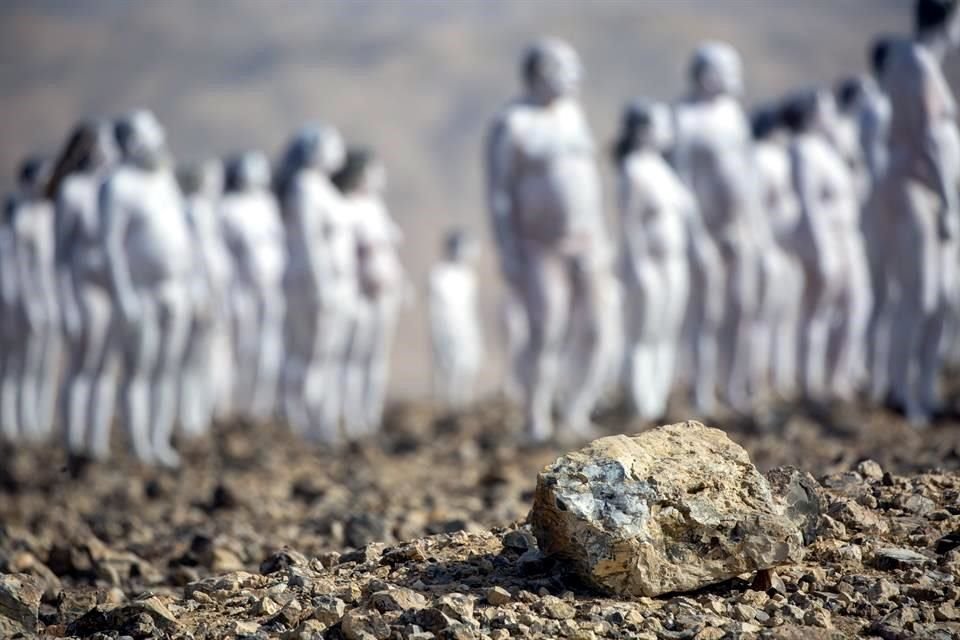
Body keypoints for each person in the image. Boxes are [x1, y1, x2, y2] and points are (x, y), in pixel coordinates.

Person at [485, 38, 611, 442]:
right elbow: (500, 194)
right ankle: (535, 416)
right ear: (540, 71)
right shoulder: (513, 123)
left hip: (587, 240)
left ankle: (576, 411)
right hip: (540, 245)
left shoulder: (574, 114)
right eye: (564, 67)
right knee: (547, 329)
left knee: (596, 328)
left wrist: (602, 235)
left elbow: (589, 179)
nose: (575, 76)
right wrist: (507, 250)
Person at [876, 0, 960, 424]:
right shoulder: (916, 64)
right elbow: (927, 137)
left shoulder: (918, 61)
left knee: (940, 298)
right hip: (918, 191)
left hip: (926, 191)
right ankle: (900, 390)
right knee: (920, 295)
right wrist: (948, 201)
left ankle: (923, 390)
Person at [101, 110, 193, 466]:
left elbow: (184, 234)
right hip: (141, 291)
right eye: (151, 131)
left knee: (166, 369)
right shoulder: (118, 185)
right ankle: (137, 444)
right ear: (133, 141)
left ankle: (159, 440)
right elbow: (110, 245)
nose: (160, 136)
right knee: (139, 369)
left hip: (174, 288)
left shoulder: (163, 179)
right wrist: (122, 294)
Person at [673, 42, 759, 413]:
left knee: (742, 307)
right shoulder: (684, 118)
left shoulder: (734, 115)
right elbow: (683, 181)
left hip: (738, 228)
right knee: (707, 314)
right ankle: (702, 391)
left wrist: (754, 227)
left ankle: (736, 386)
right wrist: (696, 237)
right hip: (705, 229)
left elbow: (748, 172)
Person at [784, 90, 870, 402]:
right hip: (823, 239)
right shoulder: (802, 149)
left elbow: (856, 186)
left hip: (847, 236)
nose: (831, 113)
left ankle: (839, 378)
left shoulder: (827, 148)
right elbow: (808, 203)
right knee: (817, 312)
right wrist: (823, 250)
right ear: (811, 114)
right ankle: (811, 385)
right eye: (825, 108)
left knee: (857, 305)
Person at [613, 101, 693, 420]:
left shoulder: (665, 169)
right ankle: (641, 401)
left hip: (674, 261)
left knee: (666, 332)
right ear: (643, 131)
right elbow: (629, 223)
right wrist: (639, 265)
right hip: (648, 264)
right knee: (644, 334)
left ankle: (658, 400)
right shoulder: (632, 169)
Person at [47, 121, 120, 459]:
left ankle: (97, 442)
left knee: (105, 369)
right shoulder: (73, 190)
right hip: (83, 290)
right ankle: (72, 441)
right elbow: (60, 254)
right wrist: (65, 303)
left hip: (109, 292)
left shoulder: (112, 188)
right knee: (81, 367)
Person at [276, 125, 349, 441]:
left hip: (335, 284)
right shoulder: (305, 187)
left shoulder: (323, 188)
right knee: (310, 355)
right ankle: (301, 422)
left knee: (328, 356)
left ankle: (322, 422)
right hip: (311, 284)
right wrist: (321, 286)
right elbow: (309, 242)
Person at [337, 147, 405, 438]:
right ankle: (351, 416)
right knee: (356, 356)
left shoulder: (376, 207)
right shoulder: (347, 207)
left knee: (377, 358)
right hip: (359, 293)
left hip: (384, 292)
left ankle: (370, 414)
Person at [220, 151, 286, 422]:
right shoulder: (228, 207)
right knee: (241, 348)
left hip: (269, 288)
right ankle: (234, 407)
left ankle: (260, 408)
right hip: (240, 288)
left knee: (268, 350)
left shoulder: (267, 205)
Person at [751, 105, 805, 399]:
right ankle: (758, 381)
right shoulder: (759, 160)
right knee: (764, 319)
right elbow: (757, 210)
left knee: (785, 319)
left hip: (787, 250)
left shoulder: (782, 159)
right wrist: (765, 249)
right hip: (770, 250)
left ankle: (780, 379)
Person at [177, 159, 233, 436]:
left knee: (210, 358)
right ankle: (190, 418)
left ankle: (204, 413)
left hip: (214, 294)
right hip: (198, 293)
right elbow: (191, 257)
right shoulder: (191, 211)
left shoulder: (209, 212)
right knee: (193, 361)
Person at [4, 156, 57, 443]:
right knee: (19, 367)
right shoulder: (21, 219)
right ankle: (15, 426)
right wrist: (23, 306)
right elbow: (17, 271)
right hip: (25, 305)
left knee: (45, 366)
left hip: (51, 301)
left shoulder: (49, 214)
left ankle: (40, 424)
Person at [428, 229, 483, 410]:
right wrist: (437, 330)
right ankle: (446, 404)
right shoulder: (439, 274)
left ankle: (462, 403)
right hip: (445, 326)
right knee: (447, 367)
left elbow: (470, 308)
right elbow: (434, 307)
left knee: (468, 364)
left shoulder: (468, 276)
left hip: (466, 326)